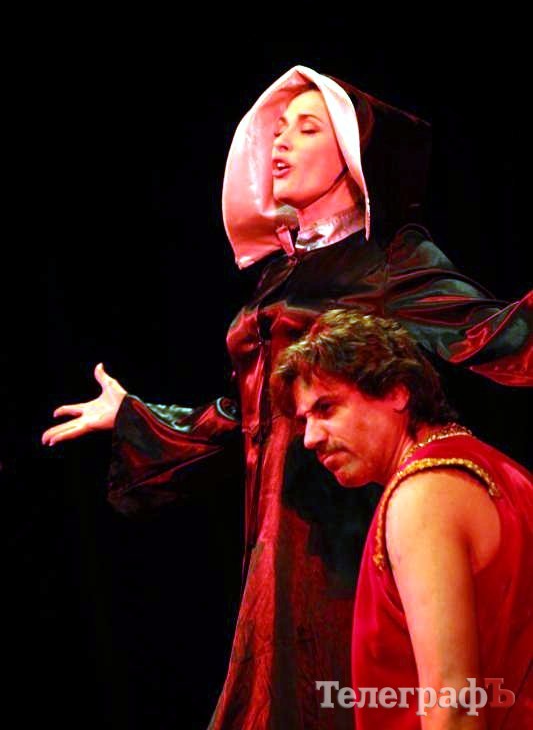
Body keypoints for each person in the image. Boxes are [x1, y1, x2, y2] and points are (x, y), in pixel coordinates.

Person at [42, 66, 532, 730]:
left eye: (307, 129)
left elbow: (494, 334)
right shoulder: (279, 278)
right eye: (277, 130)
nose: (281, 142)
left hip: (346, 544)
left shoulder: (388, 260)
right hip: (276, 548)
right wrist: (134, 416)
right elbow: (243, 420)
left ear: (352, 153)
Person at [272, 309, 532, 729]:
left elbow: (454, 705)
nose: (310, 438)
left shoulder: (421, 495)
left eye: (327, 408)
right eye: (305, 421)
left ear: (396, 391)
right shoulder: (501, 471)